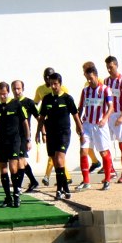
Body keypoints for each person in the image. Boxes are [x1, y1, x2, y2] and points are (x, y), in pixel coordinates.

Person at [37, 73, 82, 201]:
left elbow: (75, 115)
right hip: (51, 133)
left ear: (60, 84)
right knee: (55, 161)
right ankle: (65, 188)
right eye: (51, 84)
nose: (53, 86)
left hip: (63, 133)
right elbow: (41, 117)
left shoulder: (67, 98)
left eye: (55, 84)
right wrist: (39, 132)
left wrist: (80, 130)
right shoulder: (46, 99)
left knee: (59, 159)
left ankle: (59, 189)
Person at [76, 62, 115, 191]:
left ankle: (107, 179)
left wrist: (105, 118)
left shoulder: (105, 89)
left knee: (103, 152)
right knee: (83, 151)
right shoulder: (85, 91)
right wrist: (78, 124)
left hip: (99, 126)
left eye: (91, 78)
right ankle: (86, 181)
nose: (89, 81)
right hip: (87, 125)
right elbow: (80, 108)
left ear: (96, 76)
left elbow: (111, 107)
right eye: (87, 78)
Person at [0, 82, 27, 208]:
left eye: (4, 93)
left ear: (8, 92)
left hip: (14, 140)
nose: (2, 96)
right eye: (0, 94)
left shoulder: (16, 104)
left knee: (13, 168)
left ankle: (16, 195)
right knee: (3, 169)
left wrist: (28, 138)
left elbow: (24, 122)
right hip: (0, 140)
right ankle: (8, 197)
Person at [34, 67, 71, 187]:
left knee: (58, 155)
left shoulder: (63, 90)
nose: (48, 79)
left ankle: (54, 178)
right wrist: (40, 129)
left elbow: (69, 106)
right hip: (47, 123)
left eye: (49, 76)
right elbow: (35, 104)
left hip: (61, 126)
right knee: (53, 155)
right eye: (46, 77)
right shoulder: (40, 90)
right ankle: (64, 179)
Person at [104, 56, 122, 183]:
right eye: (107, 67)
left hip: (120, 114)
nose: (109, 69)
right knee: (105, 144)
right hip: (109, 115)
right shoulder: (106, 81)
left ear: (116, 65)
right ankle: (111, 171)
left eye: (111, 67)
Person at [10, 80, 40, 193]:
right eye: (14, 89)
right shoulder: (11, 103)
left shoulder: (29, 103)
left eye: (18, 88)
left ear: (23, 89)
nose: (16, 91)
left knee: (20, 161)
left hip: (24, 136)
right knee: (21, 161)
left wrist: (42, 132)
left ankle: (17, 187)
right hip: (13, 137)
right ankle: (33, 181)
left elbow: (39, 118)